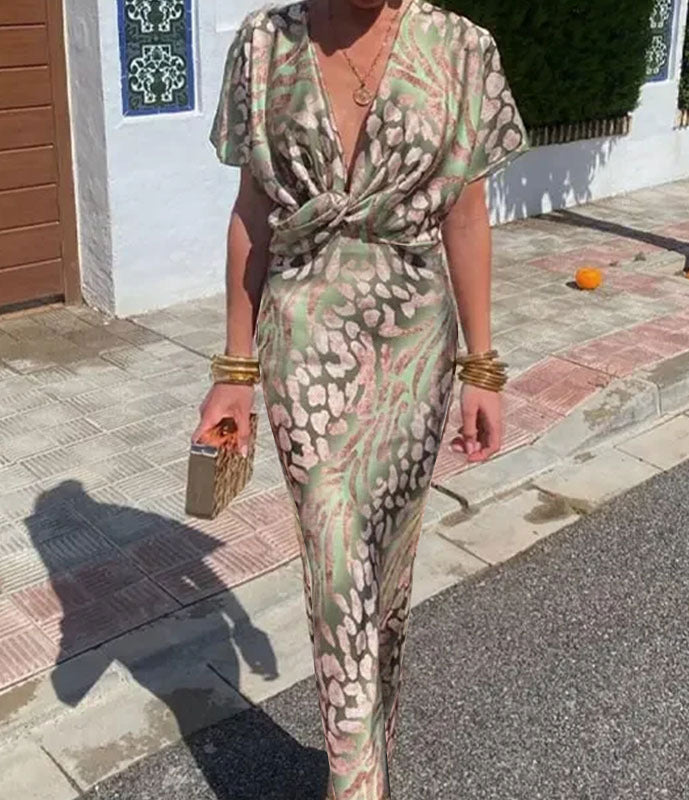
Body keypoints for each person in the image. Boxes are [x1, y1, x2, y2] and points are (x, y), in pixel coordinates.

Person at [195, 0, 528, 796]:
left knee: (385, 573)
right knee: (335, 550)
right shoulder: (264, 46)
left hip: (414, 347)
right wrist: (235, 371)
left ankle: (371, 751)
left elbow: (466, 217)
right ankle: (356, 783)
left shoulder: (461, 48)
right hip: (303, 336)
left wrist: (481, 370)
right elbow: (252, 212)